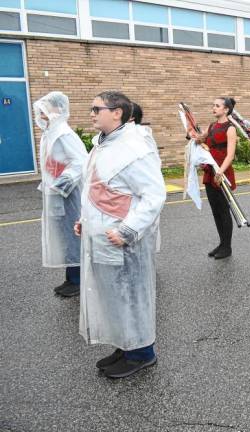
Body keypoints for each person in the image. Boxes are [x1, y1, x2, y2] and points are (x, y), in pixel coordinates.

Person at [76, 91, 166, 378]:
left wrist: (128, 230)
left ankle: (142, 353)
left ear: (117, 113)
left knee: (130, 295)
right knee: (112, 296)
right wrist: (85, 220)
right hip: (102, 236)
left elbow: (153, 195)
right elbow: (99, 189)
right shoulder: (102, 145)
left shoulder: (133, 148)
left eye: (96, 108)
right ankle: (125, 345)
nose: (91, 113)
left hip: (123, 241)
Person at [34, 91, 88, 298]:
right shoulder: (51, 133)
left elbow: (80, 161)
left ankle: (77, 279)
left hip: (68, 195)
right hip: (56, 193)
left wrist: (61, 185)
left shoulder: (63, 134)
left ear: (57, 109)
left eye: (46, 106)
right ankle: (71, 277)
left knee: (72, 235)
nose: (41, 110)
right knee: (65, 236)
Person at [191, 97, 237, 259]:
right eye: (213, 105)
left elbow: (230, 155)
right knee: (215, 211)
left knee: (224, 211)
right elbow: (200, 140)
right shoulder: (211, 126)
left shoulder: (230, 128)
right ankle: (222, 243)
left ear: (226, 110)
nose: (214, 108)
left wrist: (221, 172)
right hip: (210, 171)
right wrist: (195, 139)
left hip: (221, 172)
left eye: (217, 106)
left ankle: (227, 247)